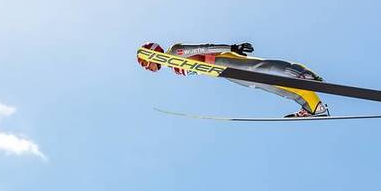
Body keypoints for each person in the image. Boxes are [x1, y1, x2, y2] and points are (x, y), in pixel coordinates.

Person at [137, 42, 329, 118]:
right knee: (264, 83)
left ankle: (303, 74)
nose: (146, 68)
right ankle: (314, 107)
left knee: (261, 67)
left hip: (221, 61)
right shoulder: (174, 67)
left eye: (145, 63)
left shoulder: (174, 51)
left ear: (151, 53)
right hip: (222, 72)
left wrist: (231, 48)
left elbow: (203, 48)